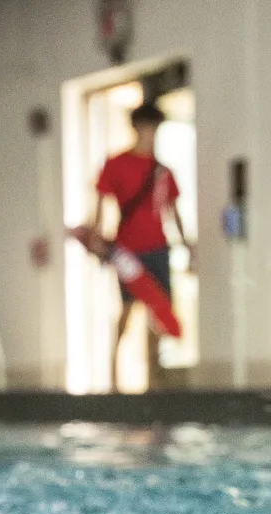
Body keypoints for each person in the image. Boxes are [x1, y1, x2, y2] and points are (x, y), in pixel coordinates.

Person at [86, 103, 185, 391]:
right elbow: (102, 202)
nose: (152, 135)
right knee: (128, 309)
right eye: (148, 129)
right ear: (138, 129)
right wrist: (95, 236)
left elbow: (172, 210)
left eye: (156, 129)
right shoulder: (116, 164)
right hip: (128, 250)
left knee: (159, 309)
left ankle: (155, 377)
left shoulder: (163, 171)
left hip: (159, 248)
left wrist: (186, 243)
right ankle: (113, 376)